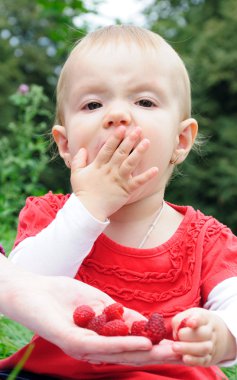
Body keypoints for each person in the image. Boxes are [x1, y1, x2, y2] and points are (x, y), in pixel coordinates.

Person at [0, 24, 237, 379]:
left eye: (144, 102)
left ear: (181, 141)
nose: (117, 115)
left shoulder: (207, 238)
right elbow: (23, 288)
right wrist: (88, 208)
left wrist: (220, 334)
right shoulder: (51, 214)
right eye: (93, 104)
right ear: (65, 145)